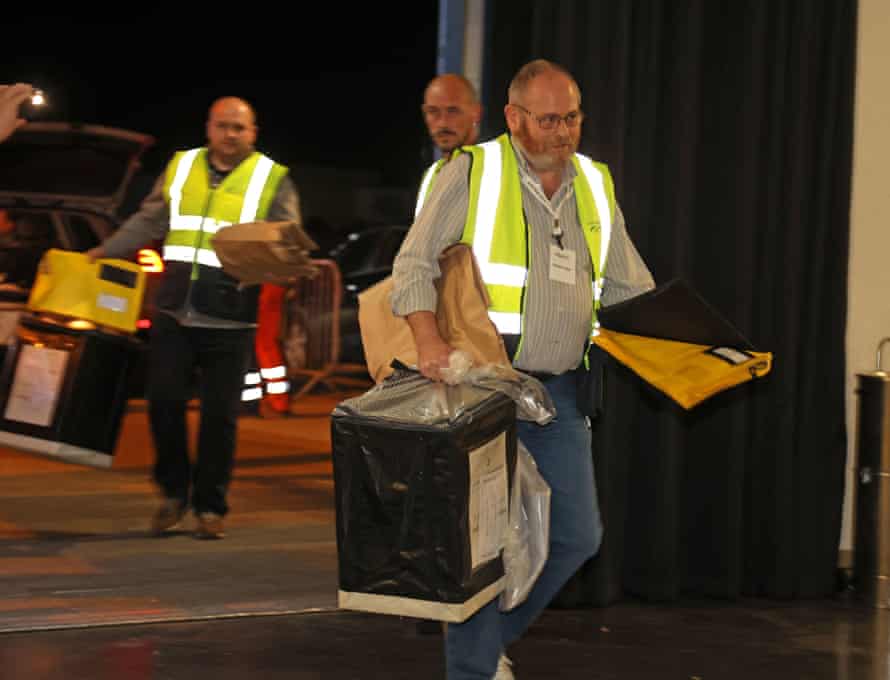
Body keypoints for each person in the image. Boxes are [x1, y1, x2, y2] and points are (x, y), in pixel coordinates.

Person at [390, 59, 655, 679]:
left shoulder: (594, 182)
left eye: (572, 117)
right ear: (513, 118)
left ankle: (486, 647)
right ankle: (473, 671)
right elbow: (412, 265)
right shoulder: (472, 172)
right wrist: (428, 342)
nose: (563, 131)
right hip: (480, 388)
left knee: (576, 537)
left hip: (559, 394)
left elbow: (627, 287)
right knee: (480, 548)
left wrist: (689, 344)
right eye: (548, 119)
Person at [87, 97, 301, 540]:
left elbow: (287, 241)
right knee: (163, 404)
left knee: (219, 419)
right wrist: (103, 251)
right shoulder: (181, 167)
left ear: (253, 132)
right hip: (174, 311)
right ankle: (172, 494)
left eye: (239, 128)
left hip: (232, 317)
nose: (230, 135)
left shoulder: (271, 178)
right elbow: (149, 220)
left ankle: (210, 506)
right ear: (208, 127)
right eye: (223, 126)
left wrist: (282, 266)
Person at [415, 73, 482, 216]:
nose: (443, 123)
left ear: (476, 113)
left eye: (453, 111)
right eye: (433, 112)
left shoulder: (494, 170)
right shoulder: (431, 176)